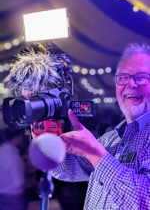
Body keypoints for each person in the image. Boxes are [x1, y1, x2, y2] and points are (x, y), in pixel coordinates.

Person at [3, 43, 150, 209]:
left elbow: (145, 199)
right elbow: (69, 171)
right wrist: (46, 143)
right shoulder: (111, 138)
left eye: (141, 77)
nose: (131, 84)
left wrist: (95, 154)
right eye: (123, 77)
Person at [0, 127, 27, 210]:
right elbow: (19, 185)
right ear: (18, 137)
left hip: (2, 196)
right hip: (13, 199)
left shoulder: (1, 150)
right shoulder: (14, 157)